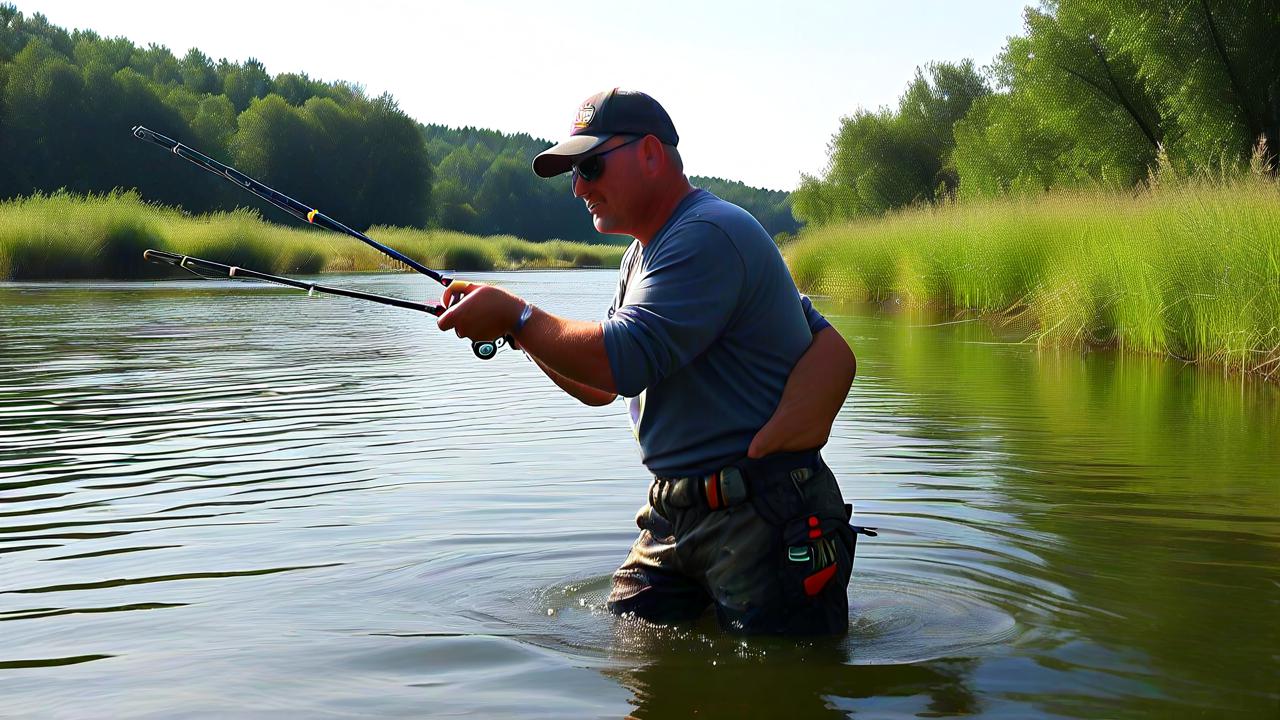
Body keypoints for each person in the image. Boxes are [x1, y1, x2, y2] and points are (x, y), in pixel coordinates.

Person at [437, 88, 862, 634]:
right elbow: (601, 387)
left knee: (781, 683)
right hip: (677, 514)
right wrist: (517, 332)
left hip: (762, 514)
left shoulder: (707, 234)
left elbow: (622, 361)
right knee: (637, 649)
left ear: (651, 155)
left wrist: (519, 317)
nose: (578, 188)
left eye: (590, 166)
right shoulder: (644, 251)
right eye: (573, 173)